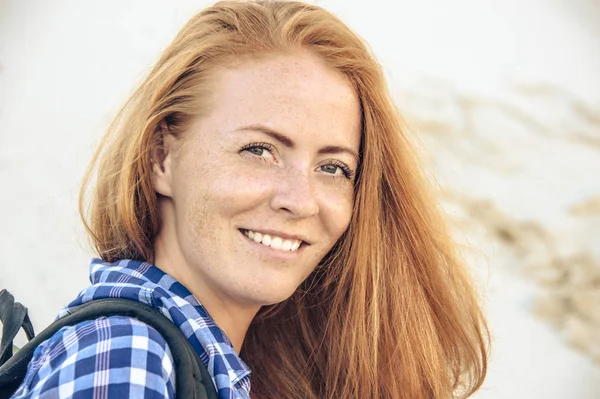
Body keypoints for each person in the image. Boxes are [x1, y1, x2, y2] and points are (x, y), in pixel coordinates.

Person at [11, 1, 489, 398]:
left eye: (333, 167)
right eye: (259, 150)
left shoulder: (212, 366)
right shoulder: (126, 354)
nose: (300, 201)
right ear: (161, 159)